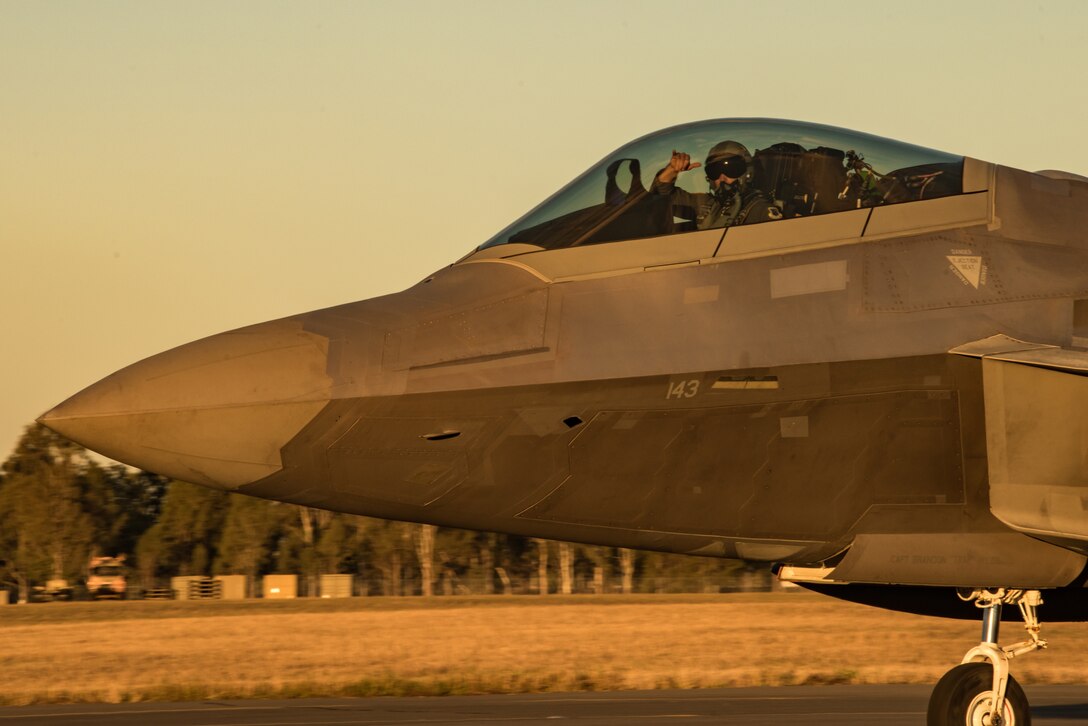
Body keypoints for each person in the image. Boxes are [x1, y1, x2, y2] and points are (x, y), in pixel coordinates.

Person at [651, 140, 782, 230]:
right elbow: (661, 196)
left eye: (731, 168)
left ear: (748, 172)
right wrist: (672, 170)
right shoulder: (707, 205)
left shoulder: (759, 210)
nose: (722, 178)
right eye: (714, 171)